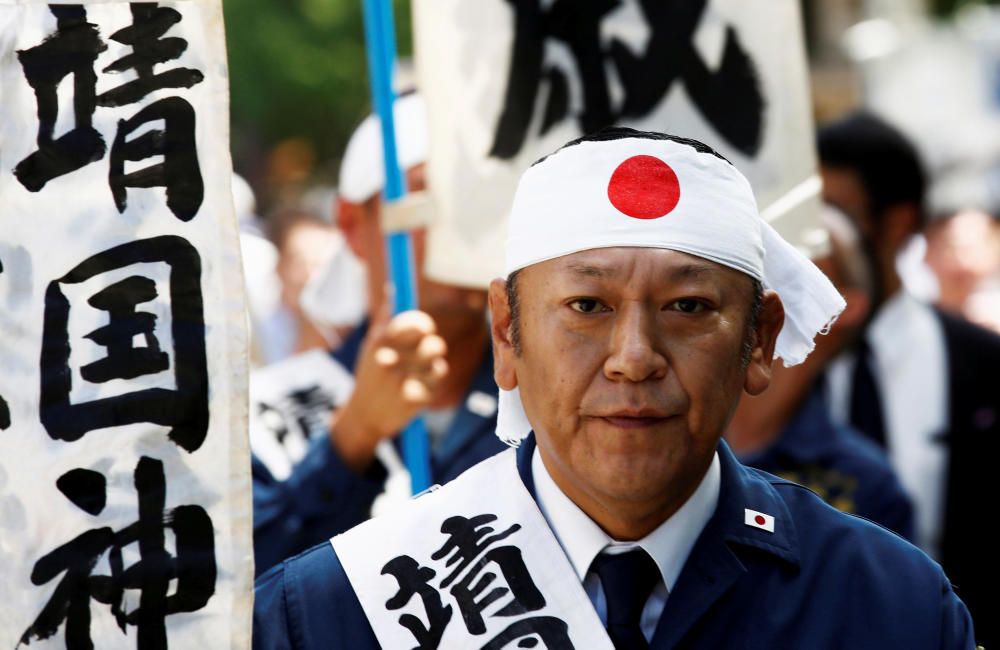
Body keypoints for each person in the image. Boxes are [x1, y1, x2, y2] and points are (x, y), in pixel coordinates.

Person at [253, 128, 975, 649]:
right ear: (508, 334)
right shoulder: (336, 612)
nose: (634, 359)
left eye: (687, 308)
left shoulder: (888, 605)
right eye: (587, 308)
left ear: (760, 339)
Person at [251, 93, 506, 575]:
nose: (457, 229)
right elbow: (249, 601)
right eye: (426, 201)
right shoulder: (266, 414)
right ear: (351, 224)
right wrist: (353, 437)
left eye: (476, 203)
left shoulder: (552, 403)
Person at [819, 111, 999, 643]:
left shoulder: (983, 363)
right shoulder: (771, 361)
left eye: (836, 213)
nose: (818, 238)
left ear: (898, 223)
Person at [726, 205, 915, 540]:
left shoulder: (866, 482)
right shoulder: (659, 428)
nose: (772, 251)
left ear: (842, 306)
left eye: (801, 243)